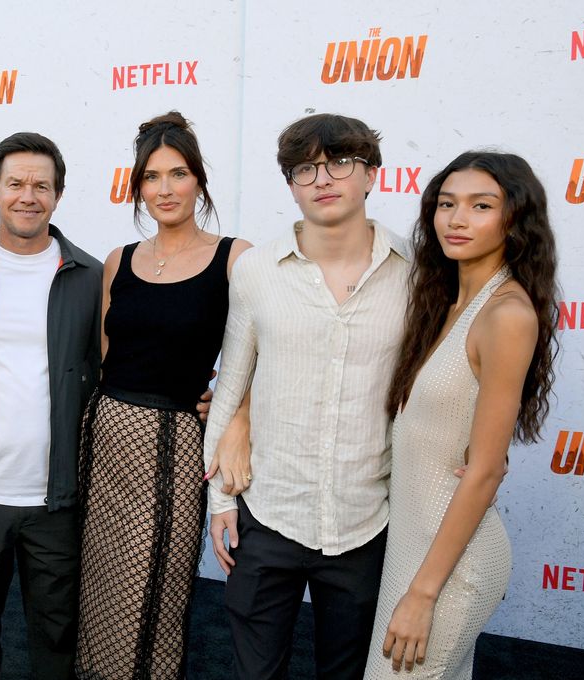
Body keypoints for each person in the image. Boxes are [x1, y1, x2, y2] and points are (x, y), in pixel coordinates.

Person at [203, 113, 410, 679]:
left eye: (340, 162)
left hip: (367, 519)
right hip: (269, 513)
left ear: (371, 174)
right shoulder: (255, 271)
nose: (323, 179)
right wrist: (221, 502)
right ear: (290, 184)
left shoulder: (417, 273)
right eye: (305, 169)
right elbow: (232, 385)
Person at [364, 152, 558, 678]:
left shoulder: (507, 314)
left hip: (450, 570)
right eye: (446, 204)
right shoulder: (444, 303)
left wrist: (423, 594)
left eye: (481, 205)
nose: (457, 218)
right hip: (415, 552)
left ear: (515, 218)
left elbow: (488, 469)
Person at [75, 111, 250, 679]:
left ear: (199, 181)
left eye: (178, 174)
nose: (165, 188)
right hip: (104, 444)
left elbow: (264, 355)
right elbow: (107, 355)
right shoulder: (118, 261)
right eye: (152, 177)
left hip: (174, 448)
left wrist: (230, 401)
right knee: (100, 586)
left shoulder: (235, 257)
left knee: (155, 592)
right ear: (138, 188)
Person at [0, 132, 102, 680]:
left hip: (55, 500)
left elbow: (122, 364)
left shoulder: (91, 277)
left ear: (57, 196)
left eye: (41, 186)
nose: (27, 196)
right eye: (15, 184)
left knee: (57, 642)